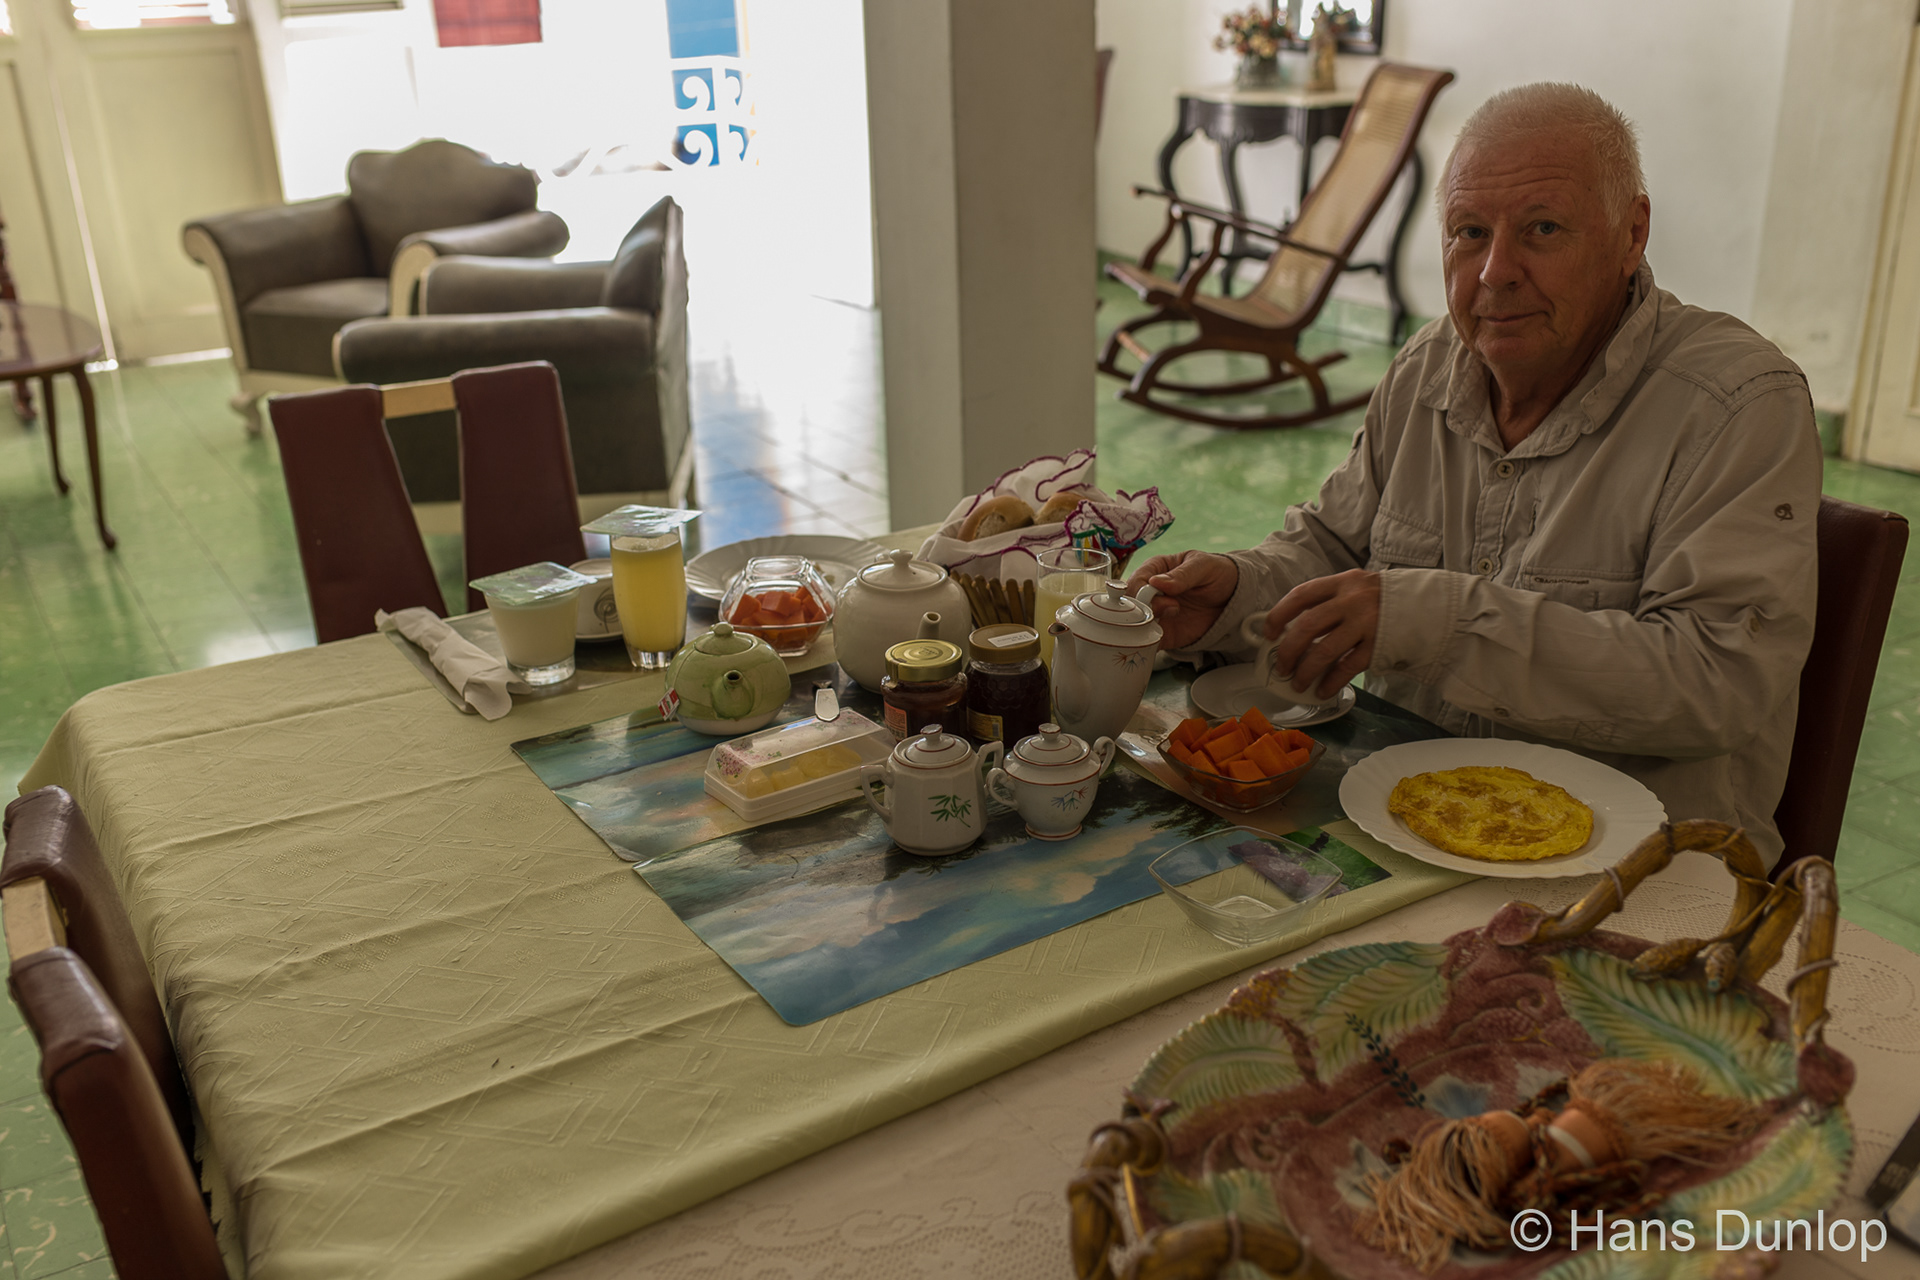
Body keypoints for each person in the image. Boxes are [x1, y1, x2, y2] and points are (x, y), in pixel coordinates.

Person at [1126, 83, 1821, 866]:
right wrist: (1236, 591)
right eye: (1468, 232)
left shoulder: (1736, 404)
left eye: (1543, 229)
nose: (1495, 272)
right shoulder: (1431, 364)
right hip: (1405, 826)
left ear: (1632, 234)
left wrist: (1440, 622)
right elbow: (1332, 544)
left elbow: (1715, 684)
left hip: (1637, 877)